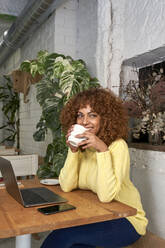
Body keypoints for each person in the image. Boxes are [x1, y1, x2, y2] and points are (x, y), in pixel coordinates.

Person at [41, 87, 148, 248]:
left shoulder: (117, 146)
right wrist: (73, 151)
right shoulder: (84, 147)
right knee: (74, 244)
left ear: (105, 118)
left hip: (126, 220)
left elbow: (106, 196)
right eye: (80, 115)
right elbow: (67, 186)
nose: (84, 121)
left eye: (92, 115)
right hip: (99, 214)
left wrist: (102, 149)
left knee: (62, 236)